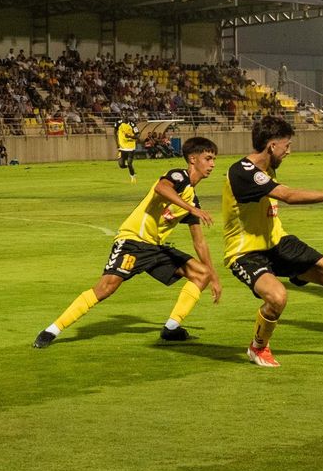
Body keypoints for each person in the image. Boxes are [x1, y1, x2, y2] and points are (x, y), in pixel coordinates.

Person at [219, 114, 323, 367]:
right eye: (286, 145)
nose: (289, 151)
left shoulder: (267, 168)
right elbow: (288, 195)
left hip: (278, 242)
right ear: (272, 145)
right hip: (246, 252)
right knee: (277, 298)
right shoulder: (242, 171)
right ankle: (258, 348)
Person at [36, 137, 224, 348]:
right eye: (208, 159)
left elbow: (199, 242)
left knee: (202, 273)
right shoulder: (178, 175)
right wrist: (191, 209)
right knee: (106, 288)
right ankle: (52, 330)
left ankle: (171, 329)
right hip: (132, 240)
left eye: (213, 159)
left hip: (155, 247)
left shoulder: (192, 199)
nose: (212, 164)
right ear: (193, 159)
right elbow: (161, 188)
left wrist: (214, 277)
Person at [115, 117, 138, 182]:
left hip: (131, 148)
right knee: (121, 165)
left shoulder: (132, 124)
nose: (124, 116)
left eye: (126, 114)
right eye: (123, 114)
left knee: (129, 163)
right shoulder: (118, 123)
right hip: (122, 148)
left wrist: (130, 136)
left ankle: (133, 176)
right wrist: (117, 143)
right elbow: (114, 132)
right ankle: (130, 168)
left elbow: (137, 136)